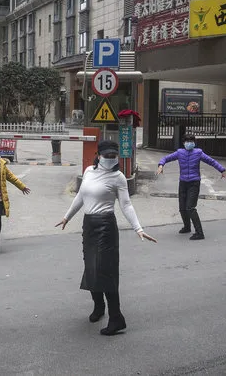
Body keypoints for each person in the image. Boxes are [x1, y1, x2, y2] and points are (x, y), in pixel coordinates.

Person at [56, 140, 156, 336]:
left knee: (106, 271)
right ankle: (98, 306)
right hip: (89, 225)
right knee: (91, 267)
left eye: (113, 156)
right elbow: (81, 197)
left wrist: (138, 228)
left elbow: (126, 205)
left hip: (106, 227)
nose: (111, 159)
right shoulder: (88, 172)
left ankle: (116, 318)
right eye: (107, 155)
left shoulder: (118, 177)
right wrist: (67, 216)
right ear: (98, 155)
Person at [156, 134, 226, 240]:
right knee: (182, 207)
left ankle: (199, 233)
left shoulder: (198, 153)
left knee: (190, 207)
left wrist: (222, 170)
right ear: (184, 143)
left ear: (194, 143)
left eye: (191, 141)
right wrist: (161, 165)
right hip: (183, 182)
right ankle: (187, 227)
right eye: (187, 141)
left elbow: (211, 161)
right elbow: (166, 158)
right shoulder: (180, 153)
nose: (189, 143)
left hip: (194, 183)